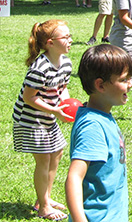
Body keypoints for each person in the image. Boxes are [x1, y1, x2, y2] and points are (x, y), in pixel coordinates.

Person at [65, 44, 132, 222]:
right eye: (124, 79)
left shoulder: (101, 115)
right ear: (100, 85)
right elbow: (74, 177)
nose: (131, 84)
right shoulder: (93, 126)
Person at [13, 20, 73, 221]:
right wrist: (55, 111)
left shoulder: (65, 62)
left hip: (47, 115)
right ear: (50, 43)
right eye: (65, 37)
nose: (70, 40)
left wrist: (66, 106)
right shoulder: (40, 68)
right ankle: (44, 207)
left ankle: (44, 198)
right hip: (29, 119)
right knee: (44, 158)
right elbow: (29, 97)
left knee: (57, 152)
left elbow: (62, 89)